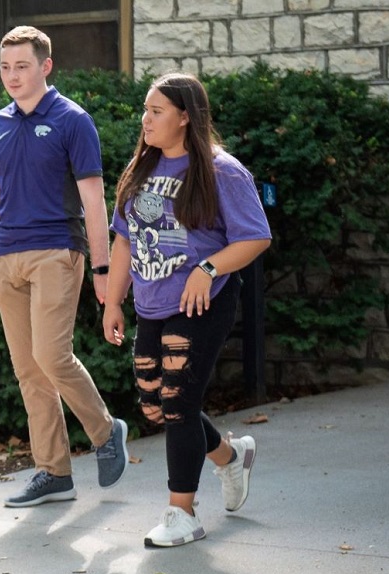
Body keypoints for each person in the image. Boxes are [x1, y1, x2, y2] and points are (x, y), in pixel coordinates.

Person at [101, 72, 271, 547]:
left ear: (184, 117)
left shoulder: (222, 171)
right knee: (156, 403)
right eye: (146, 109)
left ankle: (182, 512)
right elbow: (124, 239)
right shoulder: (142, 168)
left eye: (156, 111)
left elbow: (255, 235)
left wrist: (209, 269)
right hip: (152, 301)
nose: (145, 119)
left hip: (202, 303)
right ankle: (230, 457)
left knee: (179, 403)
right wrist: (113, 300)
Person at [0, 26, 129, 507]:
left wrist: (103, 270)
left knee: (52, 356)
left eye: (21, 66)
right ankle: (54, 471)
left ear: (46, 66)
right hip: (7, 256)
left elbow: (93, 198)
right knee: (28, 370)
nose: (12, 76)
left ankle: (106, 432)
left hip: (55, 252)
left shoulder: (72, 120)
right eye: (5, 67)